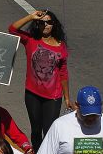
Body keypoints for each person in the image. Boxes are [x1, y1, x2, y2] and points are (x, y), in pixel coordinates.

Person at [9, 10, 71, 151]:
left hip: (53, 97)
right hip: (32, 94)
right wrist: (30, 16)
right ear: (38, 24)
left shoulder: (61, 47)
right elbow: (12, 29)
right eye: (42, 22)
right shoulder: (30, 40)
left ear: (54, 24)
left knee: (49, 131)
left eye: (49, 22)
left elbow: (63, 74)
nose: (46, 25)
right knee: (36, 131)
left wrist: (67, 98)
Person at [37, 86, 103, 154]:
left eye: (94, 115)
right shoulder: (60, 125)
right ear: (77, 106)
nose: (91, 118)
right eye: (86, 115)